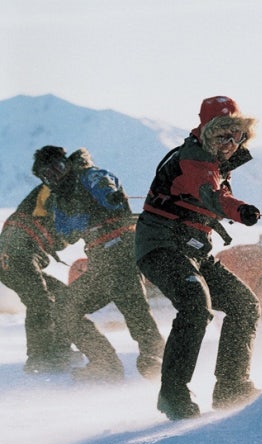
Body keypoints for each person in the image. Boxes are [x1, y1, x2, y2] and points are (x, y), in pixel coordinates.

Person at [135, 95, 262, 420]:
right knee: (194, 305)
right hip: (161, 246)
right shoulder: (194, 160)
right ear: (206, 133)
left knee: (243, 305)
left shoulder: (215, 163)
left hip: (194, 250)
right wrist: (240, 210)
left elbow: (218, 190)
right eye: (222, 136)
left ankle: (231, 387)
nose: (230, 145)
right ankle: (173, 395)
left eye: (237, 137)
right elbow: (211, 194)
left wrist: (235, 206)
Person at [31, 145, 165, 382]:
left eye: (58, 168)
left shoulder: (89, 175)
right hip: (100, 262)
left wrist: (109, 195)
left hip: (122, 251)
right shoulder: (59, 199)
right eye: (48, 175)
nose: (56, 176)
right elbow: (66, 233)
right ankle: (105, 363)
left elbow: (105, 187)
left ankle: (158, 359)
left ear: (67, 163)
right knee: (65, 308)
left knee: (132, 305)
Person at [0, 182, 80, 373]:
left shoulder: (49, 213)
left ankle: (59, 349)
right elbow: (49, 192)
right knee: (40, 301)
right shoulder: (50, 192)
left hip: (13, 259)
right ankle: (39, 358)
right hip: (18, 256)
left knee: (63, 295)